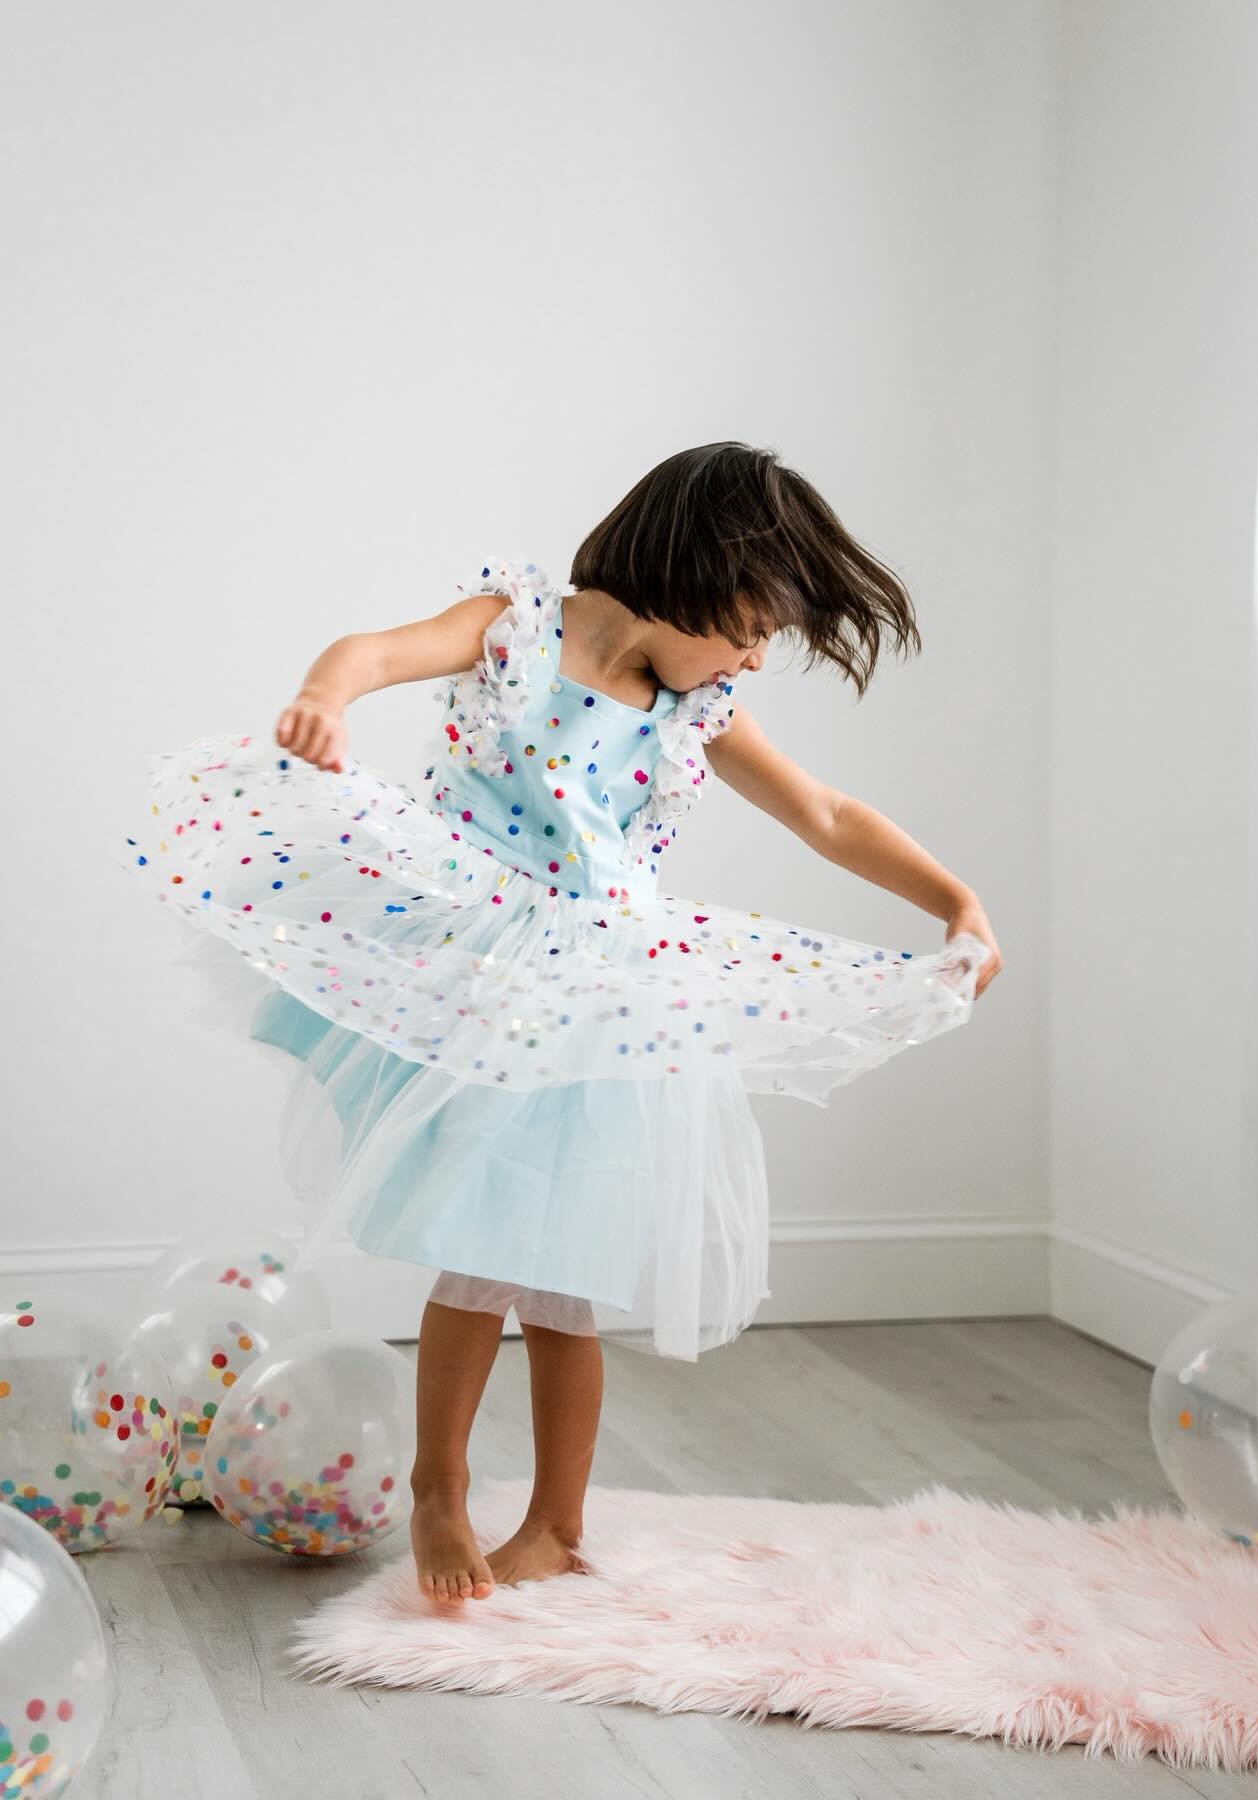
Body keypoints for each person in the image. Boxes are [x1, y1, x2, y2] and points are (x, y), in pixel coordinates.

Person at [115, 441, 1002, 1605]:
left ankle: (557, 1525)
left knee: (567, 1276)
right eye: (753, 625)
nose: (753, 656)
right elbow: (378, 651)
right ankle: (439, 1486)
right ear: (696, 572)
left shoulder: (700, 706)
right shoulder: (517, 626)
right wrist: (326, 700)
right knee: (481, 1252)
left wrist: (956, 903)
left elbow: (828, 816)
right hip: (486, 971)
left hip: (606, 992)